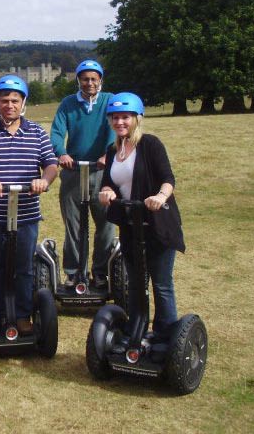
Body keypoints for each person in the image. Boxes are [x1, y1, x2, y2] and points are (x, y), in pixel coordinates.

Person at [0, 75, 58, 337]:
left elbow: (51, 164)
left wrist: (44, 180)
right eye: (4, 100)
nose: (10, 105)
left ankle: (23, 313)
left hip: (26, 213)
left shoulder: (37, 132)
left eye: (15, 100)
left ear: (23, 102)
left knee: (24, 266)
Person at [98, 92, 185, 344]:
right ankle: (135, 329)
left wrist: (160, 196)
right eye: (115, 118)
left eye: (125, 117)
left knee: (161, 284)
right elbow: (107, 184)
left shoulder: (150, 145)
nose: (120, 122)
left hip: (157, 226)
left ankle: (165, 336)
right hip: (131, 227)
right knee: (135, 284)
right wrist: (106, 192)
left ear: (137, 118)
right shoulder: (113, 150)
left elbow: (168, 179)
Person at [50, 59, 116, 289]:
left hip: (102, 171)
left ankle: (100, 272)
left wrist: (108, 154)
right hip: (73, 169)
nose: (90, 83)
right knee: (73, 225)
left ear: (100, 81)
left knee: (107, 223)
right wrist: (61, 153)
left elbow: (115, 129)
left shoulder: (110, 101)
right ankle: (73, 272)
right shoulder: (68, 104)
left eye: (94, 79)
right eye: (85, 79)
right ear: (78, 80)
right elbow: (57, 132)